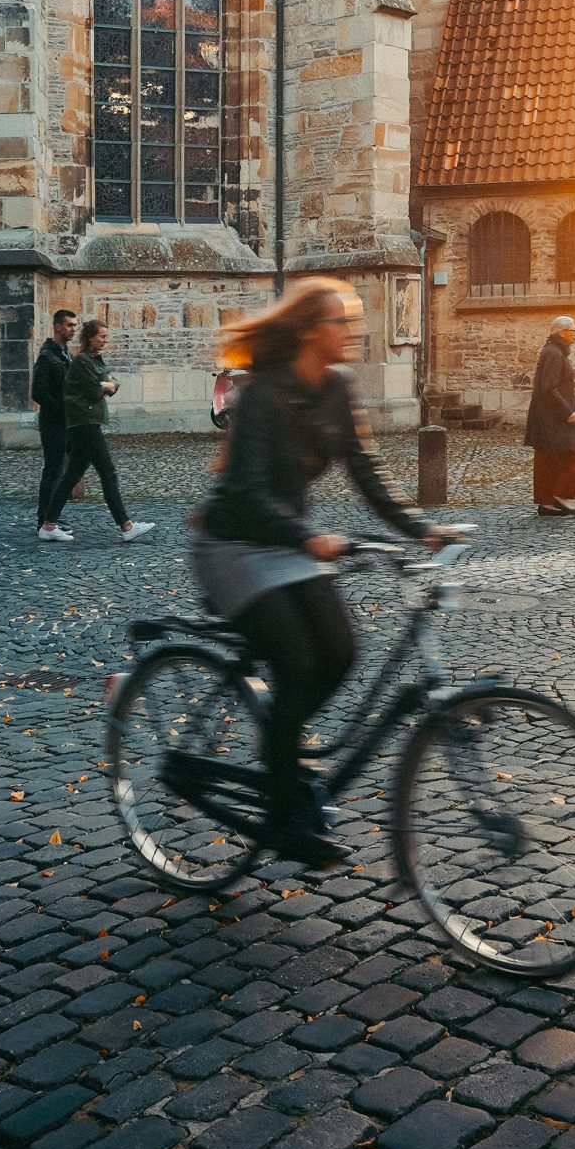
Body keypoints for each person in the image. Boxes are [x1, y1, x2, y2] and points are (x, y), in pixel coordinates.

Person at [193, 279, 446, 869]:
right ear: (312, 331)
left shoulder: (336, 387)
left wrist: (423, 530)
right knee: (296, 660)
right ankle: (282, 810)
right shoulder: (261, 394)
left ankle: (279, 747)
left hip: (288, 543)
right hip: (232, 544)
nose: (353, 332)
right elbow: (251, 493)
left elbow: (368, 474)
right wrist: (307, 535)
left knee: (340, 653)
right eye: (342, 322)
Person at [56, 318, 154, 543]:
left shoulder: (94, 360)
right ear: (90, 337)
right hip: (85, 422)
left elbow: (113, 383)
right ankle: (126, 526)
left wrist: (107, 384)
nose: (104, 341)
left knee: (72, 474)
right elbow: (94, 389)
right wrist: (105, 385)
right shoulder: (81, 361)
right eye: (102, 336)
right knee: (108, 473)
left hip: (89, 421)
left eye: (106, 337)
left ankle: (48, 524)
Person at [523, 314, 575, 516]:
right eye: (573, 330)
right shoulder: (555, 354)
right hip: (554, 418)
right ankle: (561, 497)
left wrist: (571, 383)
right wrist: (568, 412)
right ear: (562, 332)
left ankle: (546, 502)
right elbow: (548, 387)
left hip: (547, 417)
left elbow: (551, 380)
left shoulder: (553, 351)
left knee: (548, 459)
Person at [31, 307, 79, 541]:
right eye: (69, 325)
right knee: (52, 470)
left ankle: (52, 517)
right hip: (53, 424)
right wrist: (62, 411)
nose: (73, 330)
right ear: (58, 326)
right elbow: (38, 393)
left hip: (66, 424)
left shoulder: (64, 354)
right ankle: (44, 520)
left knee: (62, 470)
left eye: (74, 326)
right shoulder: (47, 356)